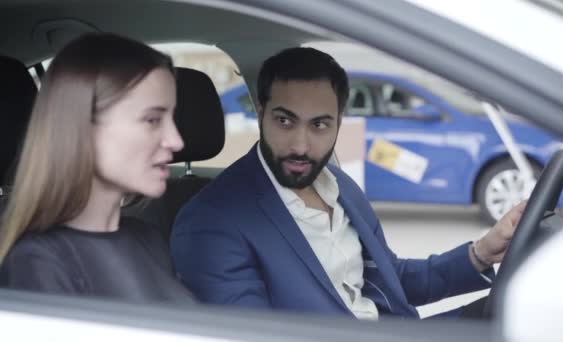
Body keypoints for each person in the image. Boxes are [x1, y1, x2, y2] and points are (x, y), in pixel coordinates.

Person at [171, 47, 525, 319]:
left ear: (340, 122)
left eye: (320, 125)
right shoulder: (212, 220)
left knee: (518, 312)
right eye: (285, 121)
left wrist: (480, 253)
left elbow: (392, 281)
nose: (300, 145)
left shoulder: (337, 185)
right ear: (261, 114)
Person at [0, 33, 196, 304]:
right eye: (152, 120)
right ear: (83, 128)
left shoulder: (147, 240)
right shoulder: (38, 262)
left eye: (172, 118)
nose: (176, 141)